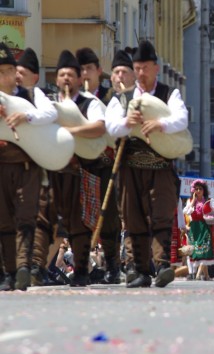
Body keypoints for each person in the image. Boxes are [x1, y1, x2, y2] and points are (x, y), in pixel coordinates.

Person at [105, 40, 188, 288]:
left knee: (161, 216)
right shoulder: (122, 99)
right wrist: (128, 123)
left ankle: (162, 266)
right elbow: (111, 127)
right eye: (137, 68)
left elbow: (181, 119)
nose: (141, 73)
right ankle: (137, 269)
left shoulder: (168, 93)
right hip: (130, 167)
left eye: (146, 67)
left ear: (156, 68)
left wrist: (161, 124)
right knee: (133, 219)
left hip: (160, 165)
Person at [0, 43, 57, 291]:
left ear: (16, 72)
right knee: (3, 220)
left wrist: (27, 116)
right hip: (1, 165)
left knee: (25, 217)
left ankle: (23, 267)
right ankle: (7, 272)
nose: (4, 76)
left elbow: (50, 113)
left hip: (26, 166)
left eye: (8, 70)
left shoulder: (32, 96)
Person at [51, 49, 109, 287]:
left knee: (80, 224)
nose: (66, 79)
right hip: (54, 170)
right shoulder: (50, 104)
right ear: (56, 78)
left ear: (78, 79)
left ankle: (82, 271)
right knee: (48, 220)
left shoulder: (90, 102)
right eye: (62, 74)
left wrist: (71, 132)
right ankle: (36, 268)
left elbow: (99, 127)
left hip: (81, 171)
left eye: (70, 74)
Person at [183, 179, 214, 280]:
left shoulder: (208, 201)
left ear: (204, 190)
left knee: (204, 249)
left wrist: (213, 216)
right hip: (194, 228)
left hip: (205, 227)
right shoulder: (190, 201)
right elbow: (186, 212)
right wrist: (193, 202)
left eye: (200, 189)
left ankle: (198, 274)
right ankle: (207, 275)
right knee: (196, 250)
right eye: (196, 189)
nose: (198, 191)